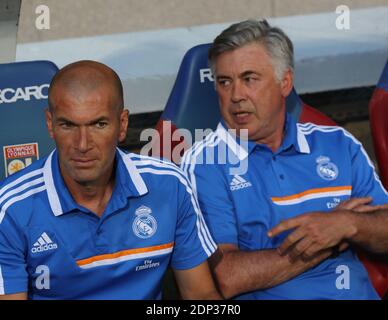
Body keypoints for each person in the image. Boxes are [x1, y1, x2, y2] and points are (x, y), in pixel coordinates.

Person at [181, 19, 388, 299]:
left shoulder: (338, 143)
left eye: (249, 79)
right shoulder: (205, 163)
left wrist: (348, 224)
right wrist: (328, 237)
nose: (236, 96)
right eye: (224, 82)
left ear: (285, 82)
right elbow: (227, 278)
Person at [0, 60, 220, 300]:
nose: (82, 144)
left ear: (122, 124)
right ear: (50, 124)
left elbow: (201, 296)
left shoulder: (170, 185)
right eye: (68, 125)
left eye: (99, 124)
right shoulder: (11, 209)